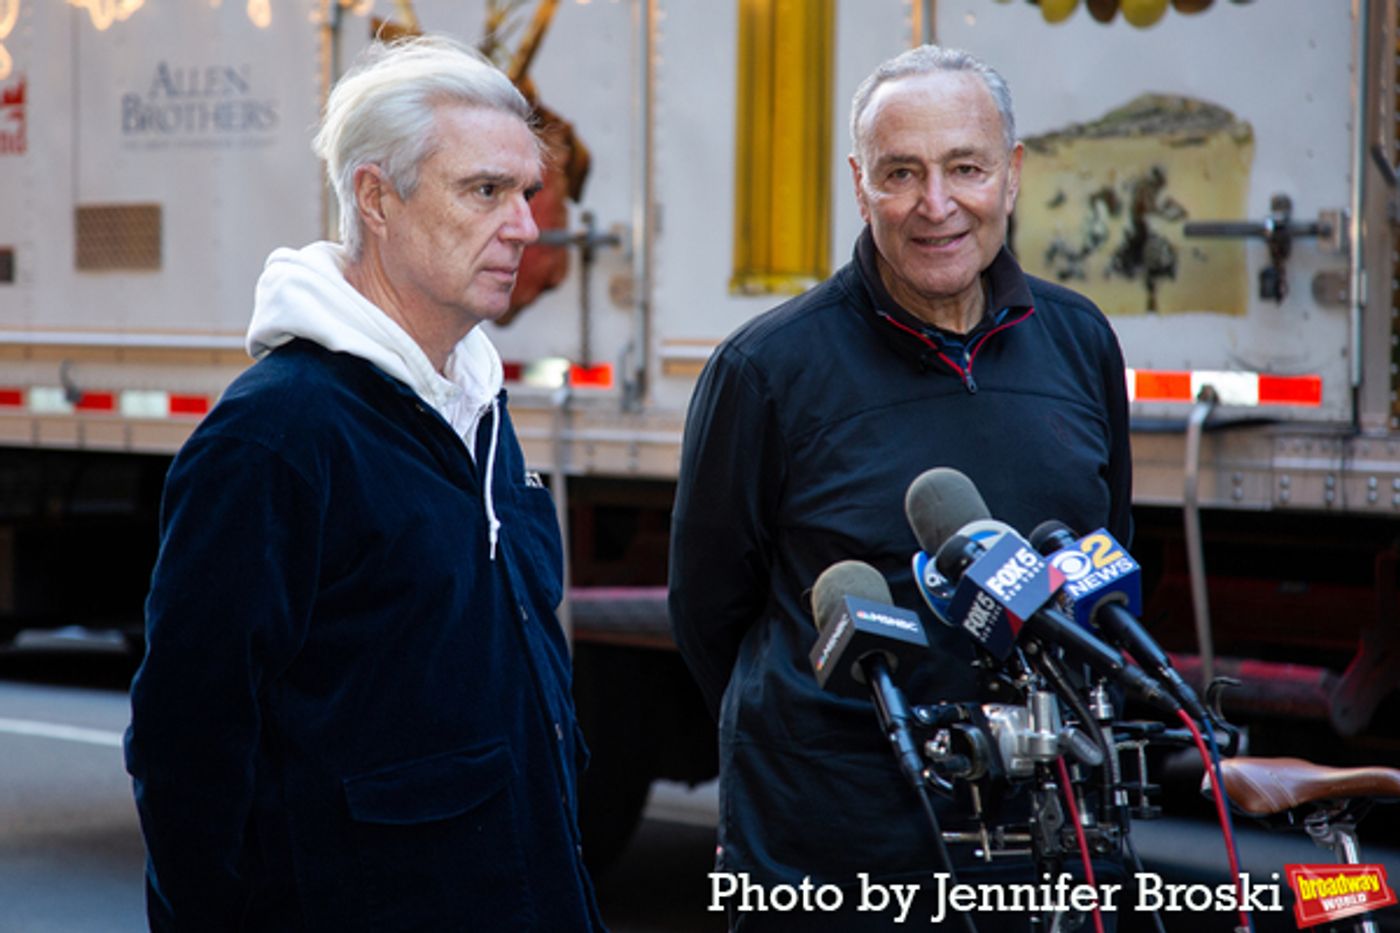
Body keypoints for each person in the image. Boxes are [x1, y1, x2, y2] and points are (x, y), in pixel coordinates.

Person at [125, 37, 604, 932]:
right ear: (376, 198)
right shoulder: (274, 436)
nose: (527, 226)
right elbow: (186, 742)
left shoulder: (476, 407)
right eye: (485, 191)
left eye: (526, 193)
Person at [669, 45, 1132, 931]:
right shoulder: (767, 368)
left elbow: (1105, 544)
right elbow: (710, 612)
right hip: (831, 847)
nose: (937, 205)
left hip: (1038, 841)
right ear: (859, 182)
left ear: (1013, 173)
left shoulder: (1080, 341)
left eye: (966, 168)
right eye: (901, 173)